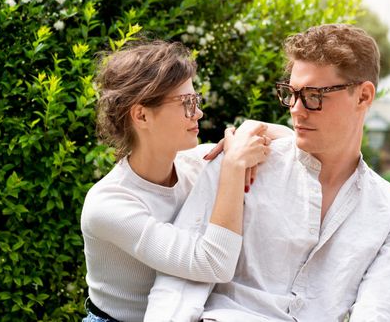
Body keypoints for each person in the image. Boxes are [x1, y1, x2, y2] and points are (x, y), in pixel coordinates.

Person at [143, 24, 390, 321]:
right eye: (291, 93)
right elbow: (180, 282)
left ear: (363, 96)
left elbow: (383, 311)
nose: (297, 110)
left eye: (315, 96)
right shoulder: (242, 163)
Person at [80, 40, 291, 322]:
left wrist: (251, 131)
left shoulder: (195, 164)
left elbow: (292, 147)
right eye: (186, 103)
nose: (199, 113)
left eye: (196, 100)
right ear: (141, 115)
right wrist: (233, 165)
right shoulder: (108, 204)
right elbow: (212, 263)